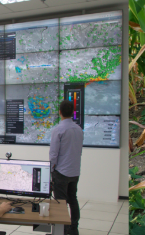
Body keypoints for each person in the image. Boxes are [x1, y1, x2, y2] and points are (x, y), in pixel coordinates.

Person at [50, 100, 84, 235]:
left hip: (61, 172)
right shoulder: (79, 129)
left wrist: (51, 170)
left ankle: (62, 230)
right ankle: (74, 228)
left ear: (60, 112)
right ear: (72, 113)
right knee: (72, 199)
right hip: (74, 171)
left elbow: (53, 154)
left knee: (60, 203)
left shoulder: (58, 130)